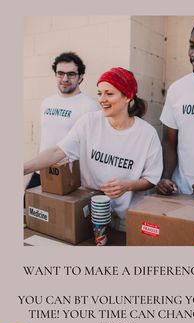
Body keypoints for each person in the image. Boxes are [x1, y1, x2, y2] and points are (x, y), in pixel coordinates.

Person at [24, 67, 163, 231]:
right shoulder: (89, 122)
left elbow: (151, 179)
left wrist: (127, 185)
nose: (102, 99)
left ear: (128, 97)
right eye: (99, 93)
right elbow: (57, 151)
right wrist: (23, 168)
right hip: (88, 212)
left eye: (109, 94)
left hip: (124, 220)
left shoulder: (147, 134)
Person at [156, 16, 194, 199]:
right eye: (192, 45)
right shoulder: (178, 89)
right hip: (182, 195)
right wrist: (165, 178)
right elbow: (169, 142)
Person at [25, 51, 99, 190]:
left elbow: (93, 146)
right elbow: (44, 137)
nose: (65, 78)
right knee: (28, 209)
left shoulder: (89, 106)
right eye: (60, 73)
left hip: (68, 175)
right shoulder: (47, 102)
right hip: (40, 171)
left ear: (81, 77)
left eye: (71, 74)